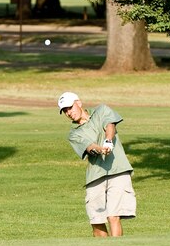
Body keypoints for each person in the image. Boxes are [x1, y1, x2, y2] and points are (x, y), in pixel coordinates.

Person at [57, 92, 136, 237]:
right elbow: (89, 147)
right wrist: (100, 149)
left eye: (70, 107)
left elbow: (110, 125)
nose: (69, 112)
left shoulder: (102, 110)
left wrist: (108, 141)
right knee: (96, 221)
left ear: (78, 103)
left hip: (118, 170)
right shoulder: (74, 134)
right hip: (95, 176)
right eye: (65, 111)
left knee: (114, 215)